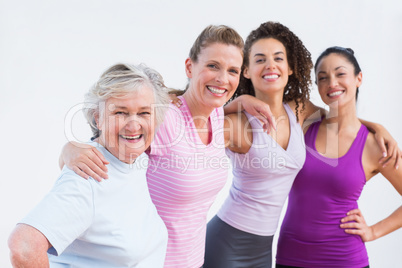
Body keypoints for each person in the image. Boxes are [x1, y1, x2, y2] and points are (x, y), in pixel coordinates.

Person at [59, 25, 271, 268]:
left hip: (193, 262)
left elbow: (212, 107)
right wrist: (70, 149)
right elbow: (106, 144)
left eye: (232, 70)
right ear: (190, 67)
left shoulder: (216, 116)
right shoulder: (165, 118)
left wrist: (240, 101)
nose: (223, 79)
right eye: (213, 66)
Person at [203, 22, 401, 268]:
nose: (332, 84)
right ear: (246, 70)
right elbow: (195, 129)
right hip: (257, 249)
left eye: (278, 58)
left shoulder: (305, 113)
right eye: (260, 59)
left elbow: (341, 118)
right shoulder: (267, 119)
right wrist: (235, 103)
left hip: (305, 254)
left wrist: (377, 128)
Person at [8, 63, 170, 267]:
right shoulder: (89, 175)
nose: (134, 125)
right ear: (98, 118)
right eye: (120, 112)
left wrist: (67, 149)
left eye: (144, 113)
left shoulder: (136, 159)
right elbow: (24, 246)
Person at [275, 47, 402, 268]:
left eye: (340, 74)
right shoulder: (305, 121)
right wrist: (376, 125)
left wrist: (373, 231)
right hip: (290, 255)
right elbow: (270, 102)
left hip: (344, 259)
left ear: (358, 78)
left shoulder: (375, 145)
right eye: (323, 78)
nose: (332, 83)